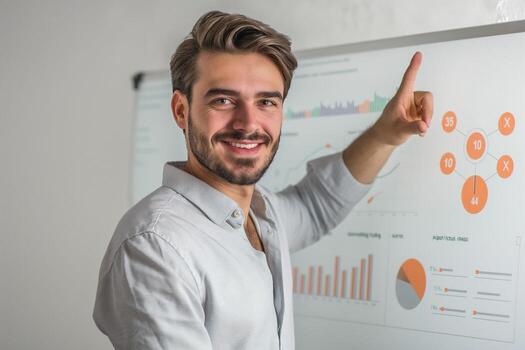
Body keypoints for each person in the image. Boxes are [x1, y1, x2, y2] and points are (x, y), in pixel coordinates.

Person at [93, 10, 433, 350]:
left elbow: (317, 205)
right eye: (224, 100)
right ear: (181, 110)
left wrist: (385, 136)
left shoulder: (260, 210)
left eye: (266, 101)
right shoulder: (156, 246)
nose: (248, 123)